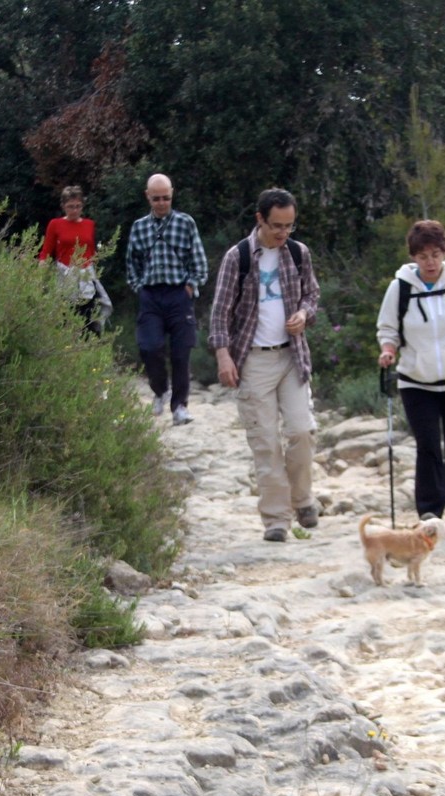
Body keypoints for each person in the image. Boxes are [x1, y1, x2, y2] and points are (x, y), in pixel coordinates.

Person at [208, 188, 323, 543]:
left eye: (289, 226)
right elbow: (220, 311)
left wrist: (304, 313)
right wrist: (223, 355)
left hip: (292, 356)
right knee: (266, 442)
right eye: (277, 226)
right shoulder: (238, 258)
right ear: (260, 219)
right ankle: (276, 520)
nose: (283, 232)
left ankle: (303, 499)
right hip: (254, 360)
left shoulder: (298, 253)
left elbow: (312, 294)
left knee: (302, 431)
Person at [375, 220, 445, 538]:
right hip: (416, 381)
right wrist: (388, 351)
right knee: (427, 445)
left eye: (436, 254)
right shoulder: (400, 288)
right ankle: (430, 514)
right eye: (423, 256)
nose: (430, 262)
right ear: (413, 257)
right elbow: (388, 329)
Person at [126, 173, 208, 425]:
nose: (161, 203)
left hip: (178, 294)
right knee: (149, 347)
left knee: (181, 353)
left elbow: (199, 261)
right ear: (148, 197)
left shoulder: (185, 223)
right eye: (156, 199)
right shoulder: (139, 227)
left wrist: (191, 286)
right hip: (151, 295)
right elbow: (131, 263)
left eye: (166, 198)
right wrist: (139, 288)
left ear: (172, 195)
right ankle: (160, 390)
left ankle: (180, 406)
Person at [38, 185, 105, 335]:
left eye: (78, 206)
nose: (74, 210)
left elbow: (92, 251)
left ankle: (90, 344)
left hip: (86, 276)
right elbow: (46, 252)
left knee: (89, 319)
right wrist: (40, 274)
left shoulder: (89, 225)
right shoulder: (55, 224)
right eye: (70, 207)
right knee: (66, 318)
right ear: (63, 206)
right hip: (65, 275)